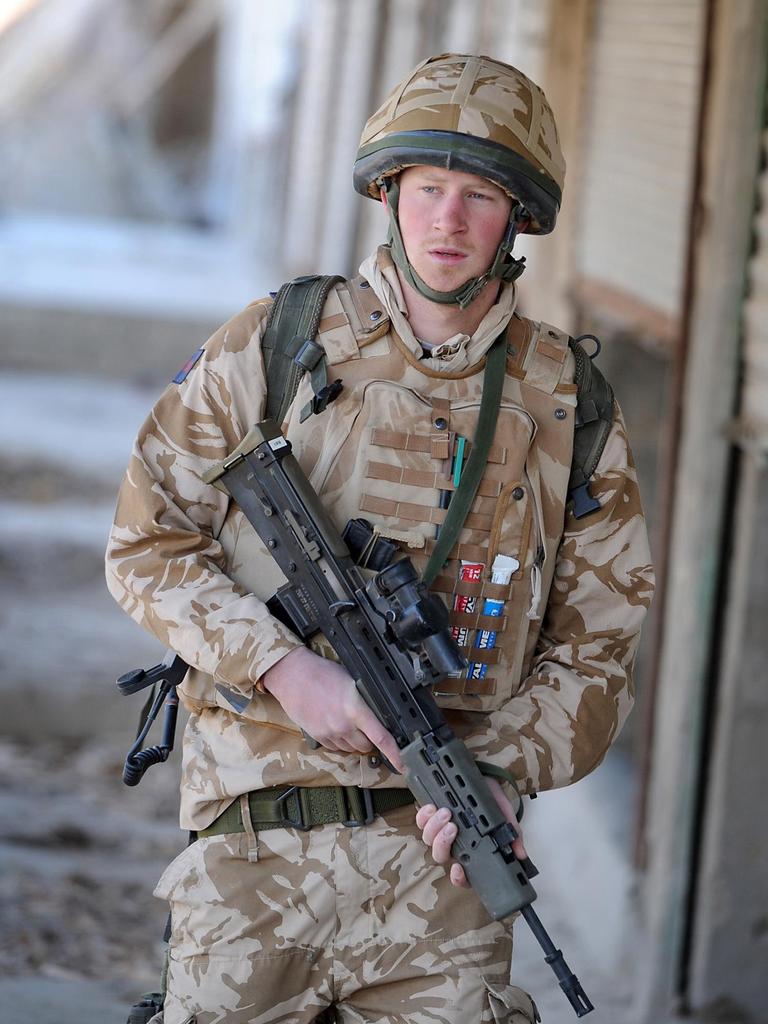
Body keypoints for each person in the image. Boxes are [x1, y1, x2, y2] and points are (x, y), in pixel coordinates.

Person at [106, 53, 654, 1024]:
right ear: (388, 192)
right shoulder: (277, 343)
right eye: (429, 188)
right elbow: (146, 546)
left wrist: (498, 766)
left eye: (479, 195)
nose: (447, 221)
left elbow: (599, 654)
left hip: (443, 878)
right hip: (255, 859)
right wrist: (282, 666)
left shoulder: (570, 404)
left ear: (517, 219)